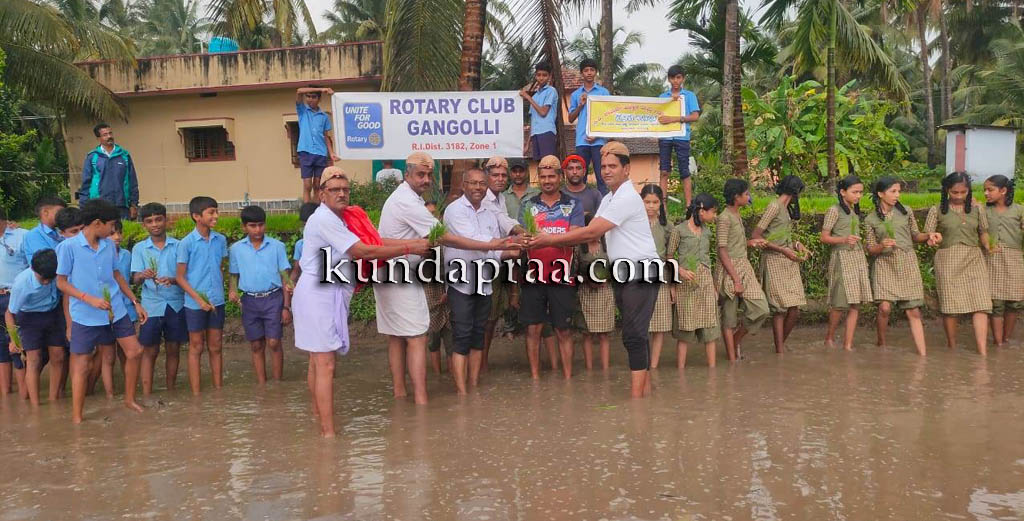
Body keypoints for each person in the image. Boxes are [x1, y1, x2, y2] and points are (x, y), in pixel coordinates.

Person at [293, 168, 429, 437]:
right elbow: (362, 251)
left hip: (326, 293)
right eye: (334, 189)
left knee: (318, 361)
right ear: (322, 194)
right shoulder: (325, 220)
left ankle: (320, 420)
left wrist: (411, 241)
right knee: (325, 364)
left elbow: (371, 240)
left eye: (345, 188)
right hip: (318, 295)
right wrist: (410, 248)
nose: (341, 193)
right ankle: (328, 435)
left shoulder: (340, 218)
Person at [376, 152, 515, 404]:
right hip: (402, 274)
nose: (426, 179)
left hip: (396, 271)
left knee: (396, 337)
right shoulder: (409, 202)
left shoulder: (410, 199)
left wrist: (507, 246)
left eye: (429, 174)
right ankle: (421, 401)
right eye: (420, 174)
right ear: (407, 175)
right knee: (418, 337)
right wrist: (492, 244)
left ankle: (401, 394)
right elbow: (443, 236)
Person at [527, 141, 660, 398]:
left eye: (613, 166)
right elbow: (591, 234)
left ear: (627, 169)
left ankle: (637, 402)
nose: (607, 170)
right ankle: (643, 394)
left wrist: (549, 239)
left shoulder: (627, 197)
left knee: (633, 334)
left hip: (642, 272)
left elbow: (592, 231)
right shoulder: (609, 197)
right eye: (603, 166)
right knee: (636, 333)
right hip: (623, 272)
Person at [56, 199, 147, 424]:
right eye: (111, 225)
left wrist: (135, 301)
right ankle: (77, 416)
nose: (113, 230)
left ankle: (129, 400)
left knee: (134, 351)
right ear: (97, 223)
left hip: (115, 309)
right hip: (85, 314)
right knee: (82, 364)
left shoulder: (108, 246)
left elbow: (116, 275)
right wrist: (89, 299)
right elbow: (61, 283)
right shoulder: (68, 247)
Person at [444, 168, 520, 393]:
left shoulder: (489, 213)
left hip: (484, 283)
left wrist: (514, 251)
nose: (478, 188)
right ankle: (462, 392)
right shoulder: (454, 210)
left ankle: (474, 387)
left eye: (481, 184)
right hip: (460, 283)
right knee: (462, 336)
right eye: (473, 183)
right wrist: (506, 243)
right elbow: (473, 240)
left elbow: (493, 252)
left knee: (478, 336)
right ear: (463, 185)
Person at [519, 156, 583, 380]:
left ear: (560, 177)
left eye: (551, 176)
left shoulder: (573, 204)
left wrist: (546, 239)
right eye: (543, 177)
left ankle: (567, 379)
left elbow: (574, 238)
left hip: (562, 275)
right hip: (533, 274)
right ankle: (535, 379)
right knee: (533, 329)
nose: (547, 181)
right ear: (539, 179)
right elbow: (522, 236)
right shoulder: (528, 205)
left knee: (563, 330)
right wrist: (527, 240)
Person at [924, 172, 992, 356]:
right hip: (948, 260)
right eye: (955, 192)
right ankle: (952, 347)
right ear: (947, 190)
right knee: (950, 306)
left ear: (968, 190)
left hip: (974, 258)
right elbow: (927, 234)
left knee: (981, 304)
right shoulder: (937, 209)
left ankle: (982, 351)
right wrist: (932, 238)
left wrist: (987, 245)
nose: (959, 196)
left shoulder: (977, 209)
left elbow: (983, 231)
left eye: (963, 192)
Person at [863, 176, 933, 356]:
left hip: (907, 262)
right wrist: (882, 245)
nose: (897, 195)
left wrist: (930, 236)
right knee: (884, 307)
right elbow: (870, 248)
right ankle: (882, 344)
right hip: (885, 264)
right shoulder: (870, 219)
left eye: (899, 191)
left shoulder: (906, 211)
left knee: (914, 311)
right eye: (893, 191)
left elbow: (916, 236)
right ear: (880, 194)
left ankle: (922, 354)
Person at [228, 205, 293, 384]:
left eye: (261, 225)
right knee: (256, 344)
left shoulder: (277, 246)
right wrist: (232, 289)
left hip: (273, 298)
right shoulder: (236, 249)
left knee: (273, 342)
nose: (257, 229)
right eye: (252, 226)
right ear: (244, 227)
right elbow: (234, 273)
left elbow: (285, 278)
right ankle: (262, 385)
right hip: (249, 300)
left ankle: (278, 383)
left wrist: (286, 306)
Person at [175, 196, 229, 395]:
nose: (216, 216)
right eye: (211, 212)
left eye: (216, 211)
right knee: (196, 347)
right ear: (197, 216)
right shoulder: (186, 243)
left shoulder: (220, 240)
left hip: (217, 301)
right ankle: (196, 394)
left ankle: (218, 390)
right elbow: (179, 277)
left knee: (216, 346)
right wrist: (199, 300)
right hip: (194, 304)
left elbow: (220, 267)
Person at [131, 202, 186, 395]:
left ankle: (171, 389)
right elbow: (135, 280)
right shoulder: (139, 249)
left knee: (173, 348)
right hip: (151, 306)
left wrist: (173, 279)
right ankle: (147, 392)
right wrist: (142, 275)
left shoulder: (179, 246)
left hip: (176, 304)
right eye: (149, 221)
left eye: (158, 219)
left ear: (166, 220)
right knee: (149, 350)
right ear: (144, 225)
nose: (155, 224)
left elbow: (184, 278)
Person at [752, 175, 811, 354]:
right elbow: (756, 236)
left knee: (794, 309)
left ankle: (780, 347)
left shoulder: (785, 210)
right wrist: (782, 250)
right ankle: (779, 350)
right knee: (779, 309)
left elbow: (784, 237)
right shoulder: (774, 207)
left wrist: (796, 245)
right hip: (774, 260)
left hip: (788, 260)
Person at [715, 179, 769, 362]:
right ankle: (732, 359)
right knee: (729, 317)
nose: (749, 197)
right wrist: (735, 279)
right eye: (746, 194)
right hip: (730, 269)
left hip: (743, 265)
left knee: (761, 308)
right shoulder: (724, 218)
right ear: (736, 197)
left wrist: (750, 243)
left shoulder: (736, 215)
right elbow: (722, 249)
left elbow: (733, 244)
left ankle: (736, 340)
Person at [480, 156, 523, 372]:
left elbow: (503, 219)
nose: (500, 179)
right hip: (481, 264)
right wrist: (521, 233)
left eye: (503, 175)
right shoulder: (483, 198)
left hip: (498, 261)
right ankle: (478, 364)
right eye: (495, 175)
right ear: (486, 175)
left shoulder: (500, 199)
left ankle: (482, 364)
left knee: (492, 317)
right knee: (484, 318)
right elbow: (503, 221)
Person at [820, 176, 872, 351]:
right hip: (842, 257)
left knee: (855, 303)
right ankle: (829, 338)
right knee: (840, 303)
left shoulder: (854, 211)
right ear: (843, 192)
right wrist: (844, 239)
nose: (858, 196)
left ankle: (848, 344)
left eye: (860, 192)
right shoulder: (834, 210)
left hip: (857, 257)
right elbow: (824, 237)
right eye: (855, 192)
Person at [667, 194, 720, 368]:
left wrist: (713, 286)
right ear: (702, 211)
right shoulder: (679, 230)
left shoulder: (707, 232)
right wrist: (679, 273)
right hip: (685, 284)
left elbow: (707, 260)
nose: (715, 216)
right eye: (713, 212)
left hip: (705, 282)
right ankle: (680, 371)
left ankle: (712, 371)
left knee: (710, 327)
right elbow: (669, 257)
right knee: (685, 328)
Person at [5, 249, 64, 405]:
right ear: (33, 269)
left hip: (53, 313)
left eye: (49, 279)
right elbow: (9, 313)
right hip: (29, 318)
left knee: (58, 356)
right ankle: (36, 405)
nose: (46, 282)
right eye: (42, 279)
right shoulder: (22, 283)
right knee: (34, 359)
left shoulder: (57, 273)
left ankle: (54, 401)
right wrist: (14, 340)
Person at [983, 175, 1024, 346]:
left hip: (1014, 259)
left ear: (1003, 191)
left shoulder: (1019, 210)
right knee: (996, 302)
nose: (986, 193)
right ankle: (998, 342)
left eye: (990, 190)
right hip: (992, 259)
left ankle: (1005, 339)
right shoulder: (983, 211)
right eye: (984, 190)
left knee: (1014, 302)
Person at [656, 65, 701, 206]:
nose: (675, 81)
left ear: (683, 78)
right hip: (665, 138)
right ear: (669, 79)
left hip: (682, 137)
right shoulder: (662, 97)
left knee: (684, 172)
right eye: (672, 78)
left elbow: (695, 116)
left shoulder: (689, 96)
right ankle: (662, 207)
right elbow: (656, 117)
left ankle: (688, 206)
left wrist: (675, 119)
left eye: (678, 77)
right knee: (664, 171)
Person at [76, 123, 139, 220]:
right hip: (99, 207)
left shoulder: (124, 155)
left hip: (121, 206)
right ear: (98, 138)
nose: (109, 136)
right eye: (105, 135)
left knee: (122, 234)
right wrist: (84, 207)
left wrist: (134, 205)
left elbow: (132, 182)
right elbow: (86, 183)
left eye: (110, 133)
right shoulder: (92, 157)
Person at [567, 58, 610, 194]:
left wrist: (597, 134)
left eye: (592, 70)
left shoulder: (603, 93)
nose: (589, 73)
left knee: (602, 176)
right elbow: (571, 118)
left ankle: (604, 209)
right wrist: (580, 105)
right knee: (580, 176)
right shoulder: (575, 94)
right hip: (582, 140)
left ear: (596, 72)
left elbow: (608, 116)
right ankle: (581, 210)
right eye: (586, 70)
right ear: (582, 73)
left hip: (599, 140)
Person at [576, 216, 614, 370]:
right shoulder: (578, 248)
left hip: (605, 292)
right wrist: (587, 280)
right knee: (587, 333)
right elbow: (574, 272)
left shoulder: (609, 245)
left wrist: (607, 278)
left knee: (604, 334)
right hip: (585, 292)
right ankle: (589, 370)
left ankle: (605, 370)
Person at [642, 185, 673, 369]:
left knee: (660, 324)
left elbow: (670, 256)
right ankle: (642, 362)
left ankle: (653, 366)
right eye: (647, 202)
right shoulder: (634, 224)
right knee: (641, 321)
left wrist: (672, 285)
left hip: (661, 276)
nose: (651, 206)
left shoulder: (667, 226)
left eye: (655, 202)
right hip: (637, 273)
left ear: (661, 203)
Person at [107, 220, 138, 391]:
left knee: (127, 351)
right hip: (107, 308)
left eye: (119, 233)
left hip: (126, 307)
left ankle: (128, 386)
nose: (117, 237)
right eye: (112, 234)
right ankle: (110, 391)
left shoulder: (127, 255)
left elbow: (129, 279)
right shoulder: (101, 254)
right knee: (108, 354)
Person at [0, 209, 28, 398]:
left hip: (13, 297)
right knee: (1, 346)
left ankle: (25, 397)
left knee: (17, 345)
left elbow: (33, 265)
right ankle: (7, 394)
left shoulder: (22, 236)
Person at [295, 86, 340, 203]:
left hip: (320, 152)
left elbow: (326, 136)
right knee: (307, 184)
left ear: (319, 99)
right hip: (306, 152)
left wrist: (331, 153)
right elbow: (299, 91)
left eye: (313, 97)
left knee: (317, 185)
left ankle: (315, 211)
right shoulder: (303, 111)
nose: (310, 99)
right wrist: (322, 89)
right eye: (308, 96)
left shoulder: (324, 117)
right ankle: (306, 214)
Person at [423, 200, 452, 374]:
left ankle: (452, 379)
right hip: (429, 295)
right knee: (433, 340)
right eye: (427, 214)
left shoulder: (447, 240)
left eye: (433, 214)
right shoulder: (420, 241)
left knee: (451, 341)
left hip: (448, 292)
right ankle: (438, 376)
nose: (430, 217)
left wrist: (448, 290)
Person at [520, 62, 558, 161]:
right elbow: (533, 121)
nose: (541, 78)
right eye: (539, 75)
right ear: (535, 76)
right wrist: (528, 144)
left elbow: (543, 112)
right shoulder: (535, 96)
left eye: (544, 75)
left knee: (548, 163)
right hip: (535, 134)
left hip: (547, 131)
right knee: (539, 164)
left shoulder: (551, 91)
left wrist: (528, 97)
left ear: (549, 76)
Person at [21, 196, 67, 264]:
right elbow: (48, 262)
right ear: (45, 212)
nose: (63, 215)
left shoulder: (59, 232)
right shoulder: (33, 235)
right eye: (60, 212)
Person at [562, 155, 603, 220]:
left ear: (584, 171)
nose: (574, 172)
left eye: (578, 168)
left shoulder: (595, 194)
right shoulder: (559, 195)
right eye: (570, 168)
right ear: (565, 172)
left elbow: (601, 220)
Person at [289, 202, 320, 285]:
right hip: (307, 286)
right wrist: (290, 284)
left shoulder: (330, 243)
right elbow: (296, 270)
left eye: (310, 224)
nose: (307, 228)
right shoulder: (300, 245)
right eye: (304, 225)